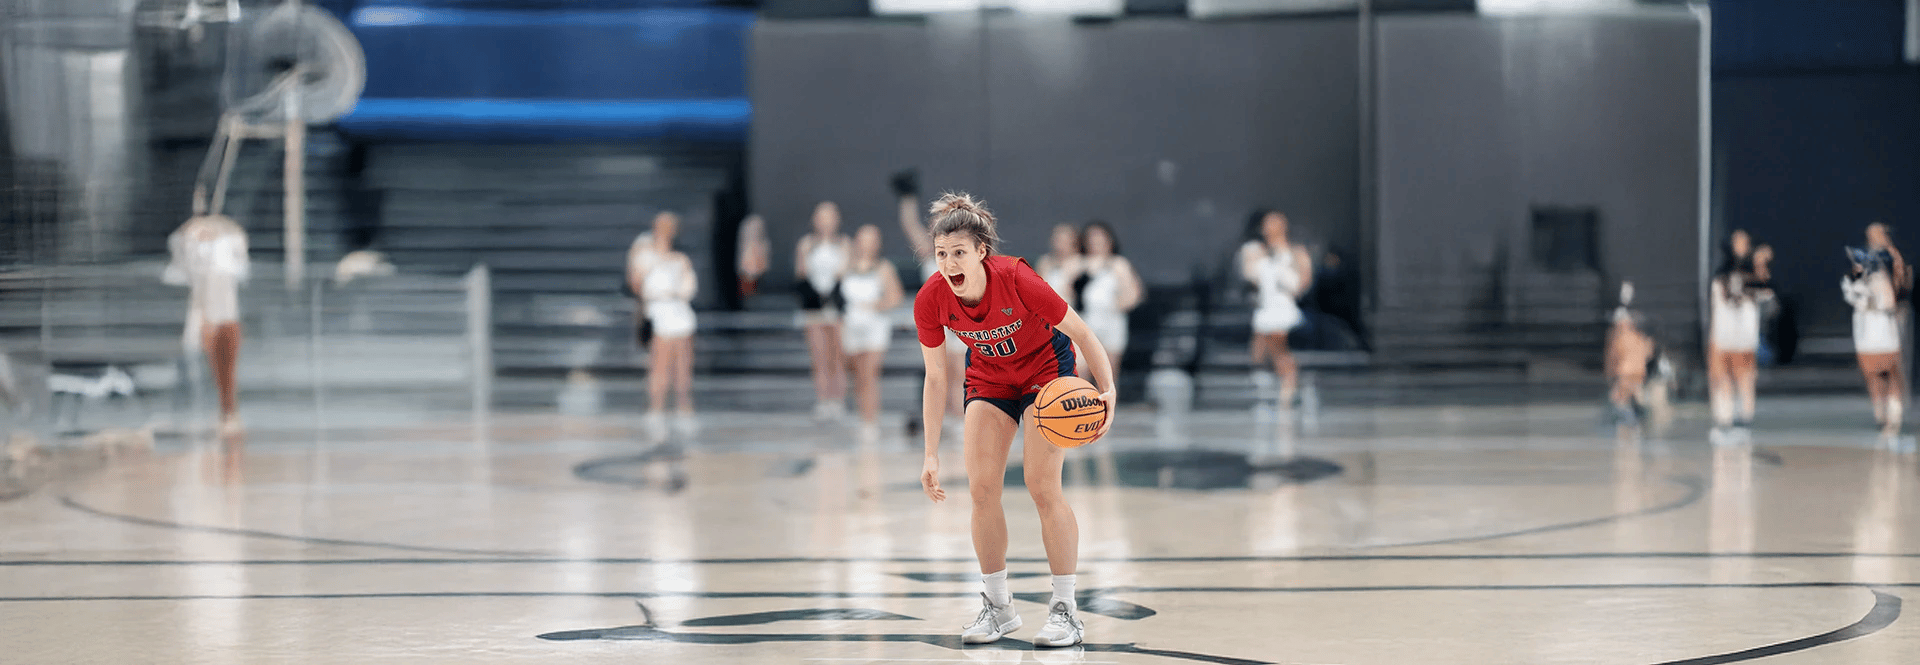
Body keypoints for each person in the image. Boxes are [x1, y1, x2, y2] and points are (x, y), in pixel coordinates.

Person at [913, 192, 1114, 648]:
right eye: (941, 254)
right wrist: (929, 453)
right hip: (990, 377)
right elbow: (935, 377)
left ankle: (1065, 610)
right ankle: (998, 607)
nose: (948, 263)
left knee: (1042, 486)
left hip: (1047, 372)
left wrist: (1108, 390)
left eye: (958, 253)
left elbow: (1083, 333)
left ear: (981, 251)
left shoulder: (1018, 278)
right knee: (981, 489)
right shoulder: (931, 298)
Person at [163, 214, 250, 434]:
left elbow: (234, 267)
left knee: (220, 362)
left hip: (220, 313)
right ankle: (219, 412)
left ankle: (227, 412)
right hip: (204, 309)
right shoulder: (189, 242)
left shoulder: (228, 244)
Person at [895, 170, 966, 430]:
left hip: (959, 316)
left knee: (960, 369)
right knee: (939, 371)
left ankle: (961, 419)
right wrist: (907, 198)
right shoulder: (928, 252)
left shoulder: (962, 252)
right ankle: (945, 418)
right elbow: (909, 224)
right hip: (938, 320)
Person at [631, 212, 698, 435]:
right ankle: (656, 408)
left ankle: (684, 407)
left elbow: (688, 286)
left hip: (679, 312)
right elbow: (636, 284)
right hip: (659, 312)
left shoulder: (680, 258)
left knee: (683, 365)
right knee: (660, 364)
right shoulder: (644, 254)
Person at [1240, 210, 1313, 410]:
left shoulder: (1295, 252)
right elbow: (1251, 276)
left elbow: (1302, 280)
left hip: (1282, 308)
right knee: (1265, 352)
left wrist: (1289, 277)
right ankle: (1285, 387)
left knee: (1279, 351)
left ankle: (1288, 390)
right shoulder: (1256, 251)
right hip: (1266, 307)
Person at [840, 225, 905, 428]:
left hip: (875, 325)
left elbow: (896, 296)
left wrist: (876, 305)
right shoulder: (847, 266)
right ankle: (862, 414)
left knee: (870, 373)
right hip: (851, 325)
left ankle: (871, 420)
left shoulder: (884, 268)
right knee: (857, 374)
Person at [1845, 223, 1907, 431]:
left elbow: (1901, 286)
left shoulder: (1893, 257)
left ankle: (1894, 414)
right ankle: (1880, 414)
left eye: (1877, 233)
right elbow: (1851, 285)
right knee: (1872, 372)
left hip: (1886, 322)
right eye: (1870, 234)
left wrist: (1892, 299)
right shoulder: (1861, 258)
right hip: (1867, 325)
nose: (1873, 238)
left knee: (1891, 369)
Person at [1708, 231, 1770, 429]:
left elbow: (1766, 292)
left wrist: (1760, 264)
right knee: (1724, 378)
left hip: (1744, 338)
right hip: (1724, 336)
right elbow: (1717, 308)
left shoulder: (1754, 276)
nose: (1741, 247)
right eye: (1737, 243)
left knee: (1745, 378)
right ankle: (1725, 417)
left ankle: (1745, 415)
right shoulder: (1720, 277)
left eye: (1744, 243)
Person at [797, 202, 851, 421]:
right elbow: (801, 273)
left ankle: (838, 400)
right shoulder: (807, 244)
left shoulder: (844, 243)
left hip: (837, 305)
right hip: (814, 306)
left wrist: (833, 292)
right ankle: (823, 399)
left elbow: (846, 270)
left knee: (837, 355)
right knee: (819, 355)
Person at [1074, 221, 1143, 387]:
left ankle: (1106, 404)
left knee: (1107, 375)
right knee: (1080, 371)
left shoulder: (1118, 264)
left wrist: (1117, 304)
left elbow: (1133, 294)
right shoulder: (1078, 263)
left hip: (1110, 321)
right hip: (1085, 321)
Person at [1605, 282, 1656, 425]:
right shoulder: (1642, 338)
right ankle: (1637, 420)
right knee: (1635, 398)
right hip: (1637, 372)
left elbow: (1613, 356)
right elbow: (1649, 354)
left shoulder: (1619, 337)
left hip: (1626, 372)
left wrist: (1611, 374)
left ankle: (1631, 421)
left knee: (1619, 399)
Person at [1036, 224, 1082, 305]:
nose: (1060, 244)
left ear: (1073, 242)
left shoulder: (1081, 262)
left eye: (1065, 240)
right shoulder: (1045, 261)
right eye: (1058, 240)